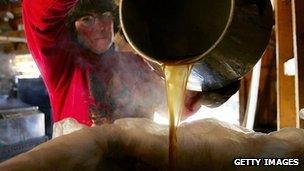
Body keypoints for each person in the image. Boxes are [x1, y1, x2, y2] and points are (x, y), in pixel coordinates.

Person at [22, 0, 239, 132]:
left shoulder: (135, 64)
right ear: (72, 29)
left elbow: (177, 106)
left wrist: (213, 86)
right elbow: (37, 13)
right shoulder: (63, 66)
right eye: (87, 19)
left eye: (105, 15)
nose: (99, 26)